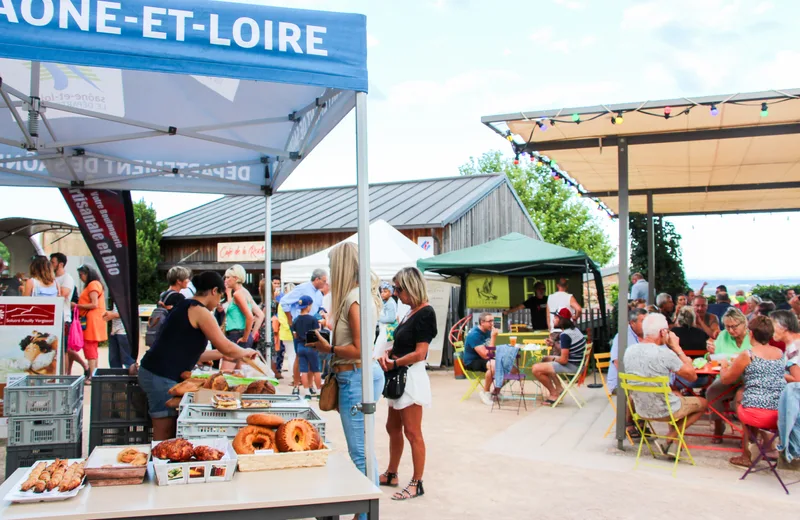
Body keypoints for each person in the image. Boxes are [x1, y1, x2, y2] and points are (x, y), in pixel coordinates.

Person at [306, 242, 384, 503]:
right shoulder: (359, 296)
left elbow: (360, 349)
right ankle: (364, 511)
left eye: (331, 266)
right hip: (356, 376)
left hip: (354, 376)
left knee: (360, 451)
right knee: (363, 448)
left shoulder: (354, 299)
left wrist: (330, 347)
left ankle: (364, 513)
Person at [138, 272, 258, 440]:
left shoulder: (185, 305)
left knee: (170, 428)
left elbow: (193, 353)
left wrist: (225, 354)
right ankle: (158, 464)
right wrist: (244, 351)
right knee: (164, 430)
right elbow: (226, 346)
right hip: (160, 374)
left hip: (157, 371)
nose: (218, 303)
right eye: (220, 297)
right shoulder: (199, 311)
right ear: (214, 291)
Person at [377, 266, 436, 501]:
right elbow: (406, 343)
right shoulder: (411, 311)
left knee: (413, 432)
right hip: (399, 374)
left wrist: (395, 362)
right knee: (392, 428)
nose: (396, 293)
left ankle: (417, 482)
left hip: (409, 377)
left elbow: (421, 353)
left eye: (398, 289)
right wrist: (392, 352)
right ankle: (392, 473)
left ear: (411, 288)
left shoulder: (425, 312)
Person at [622, 313, 708, 454]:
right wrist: (677, 347)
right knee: (703, 403)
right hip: (664, 410)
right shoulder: (665, 354)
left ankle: (672, 444)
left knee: (675, 394)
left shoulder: (629, 351)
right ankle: (670, 438)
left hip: (640, 409)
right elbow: (692, 376)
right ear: (663, 332)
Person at [720, 316, 787, 467]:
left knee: (741, 401)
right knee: (743, 396)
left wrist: (723, 366)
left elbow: (726, 380)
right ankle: (764, 444)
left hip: (757, 414)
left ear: (750, 333)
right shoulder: (780, 353)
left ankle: (747, 454)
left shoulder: (748, 354)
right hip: (780, 412)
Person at [706, 307, 753, 442]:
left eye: (734, 326)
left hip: (748, 378)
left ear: (744, 323)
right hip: (727, 376)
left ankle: (748, 435)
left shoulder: (752, 337)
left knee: (742, 398)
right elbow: (713, 358)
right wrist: (710, 354)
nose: (731, 330)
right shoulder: (723, 336)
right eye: (727, 327)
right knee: (712, 392)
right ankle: (718, 426)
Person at [281, 269, 327, 395]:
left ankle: (310, 385)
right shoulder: (303, 289)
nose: (325, 283)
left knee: (312, 354)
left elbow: (317, 309)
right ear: (316, 279)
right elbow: (284, 302)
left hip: (312, 325)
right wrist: (290, 320)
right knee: (299, 356)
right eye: (323, 281)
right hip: (300, 324)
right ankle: (296, 384)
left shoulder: (319, 293)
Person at [532, 308, 587, 404]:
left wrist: (553, 359)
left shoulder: (565, 335)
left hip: (572, 366)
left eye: (555, 318)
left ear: (561, 320)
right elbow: (565, 351)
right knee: (545, 359)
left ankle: (554, 394)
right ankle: (559, 388)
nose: (553, 320)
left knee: (536, 368)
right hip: (578, 363)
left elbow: (563, 360)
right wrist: (553, 344)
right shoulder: (575, 330)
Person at [50, 253, 89, 377]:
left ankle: (64, 377)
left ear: (61, 264)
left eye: (53, 262)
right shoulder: (53, 278)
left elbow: (63, 294)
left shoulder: (67, 278)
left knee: (65, 350)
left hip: (64, 318)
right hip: (53, 317)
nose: (51, 265)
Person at [222, 264, 263, 372]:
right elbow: (260, 315)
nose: (225, 280)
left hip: (236, 336)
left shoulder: (238, 294)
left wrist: (246, 336)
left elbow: (250, 316)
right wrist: (251, 335)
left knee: (225, 375)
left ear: (235, 278)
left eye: (228, 277)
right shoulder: (245, 292)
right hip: (242, 335)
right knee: (240, 375)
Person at [76, 264, 107, 384]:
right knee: (92, 349)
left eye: (81, 275)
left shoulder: (93, 285)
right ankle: (94, 374)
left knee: (90, 349)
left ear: (87, 274)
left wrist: (77, 306)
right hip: (93, 320)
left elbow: (94, 304)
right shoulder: (95, 284)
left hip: (91, 321)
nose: (81, 278)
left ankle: (92, 376)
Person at [462, 312, 498, 406]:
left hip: (485, 359)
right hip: (472, 361)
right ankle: (485, 392)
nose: (492, 323)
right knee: (493, 365)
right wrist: (493, 338)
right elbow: (486, 355)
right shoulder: (474, 334)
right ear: (482, 322)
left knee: (511, 367)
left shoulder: (488, 331)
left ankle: (496, 392)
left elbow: (490, 352)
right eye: (489, 321)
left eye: (493, 321)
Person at [608, 308, 647, 394]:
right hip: (621, 384)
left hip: (641, 381)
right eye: (643, 321)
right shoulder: (622, 336)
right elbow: (618, 362)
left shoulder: (648, 335)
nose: (647, 324)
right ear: (633, 323)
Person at [672, 307, 711, 391]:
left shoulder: (672, 334)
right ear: (694, 319)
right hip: (701, 379)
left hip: (679, 379)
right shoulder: (702, 333)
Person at [292, 295, 321, 397]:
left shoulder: (295, 320)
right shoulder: (313, 319)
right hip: (311, 346)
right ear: (308, 306)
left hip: (300, 346)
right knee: (316, 369)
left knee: (303, 370)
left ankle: (307, 392)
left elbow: (295, 335)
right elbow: (317, 333)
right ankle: (318, 392)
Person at [769, 310, 800, 383]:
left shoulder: (794, 347)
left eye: (771, 325)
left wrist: (772, 371)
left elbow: (797, 379)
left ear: (784, 326)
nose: (769, 330)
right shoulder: (793, 345)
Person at [103, 303, 135, 369]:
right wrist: (109, 313)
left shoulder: (126, 296)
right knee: (114, 359)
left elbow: (128, 311)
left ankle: (131, 377)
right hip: (114, 331)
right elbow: (117, 311)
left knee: (127, 358)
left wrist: (112, 315)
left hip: (124, 332)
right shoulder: (116, 298)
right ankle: (116, 376)